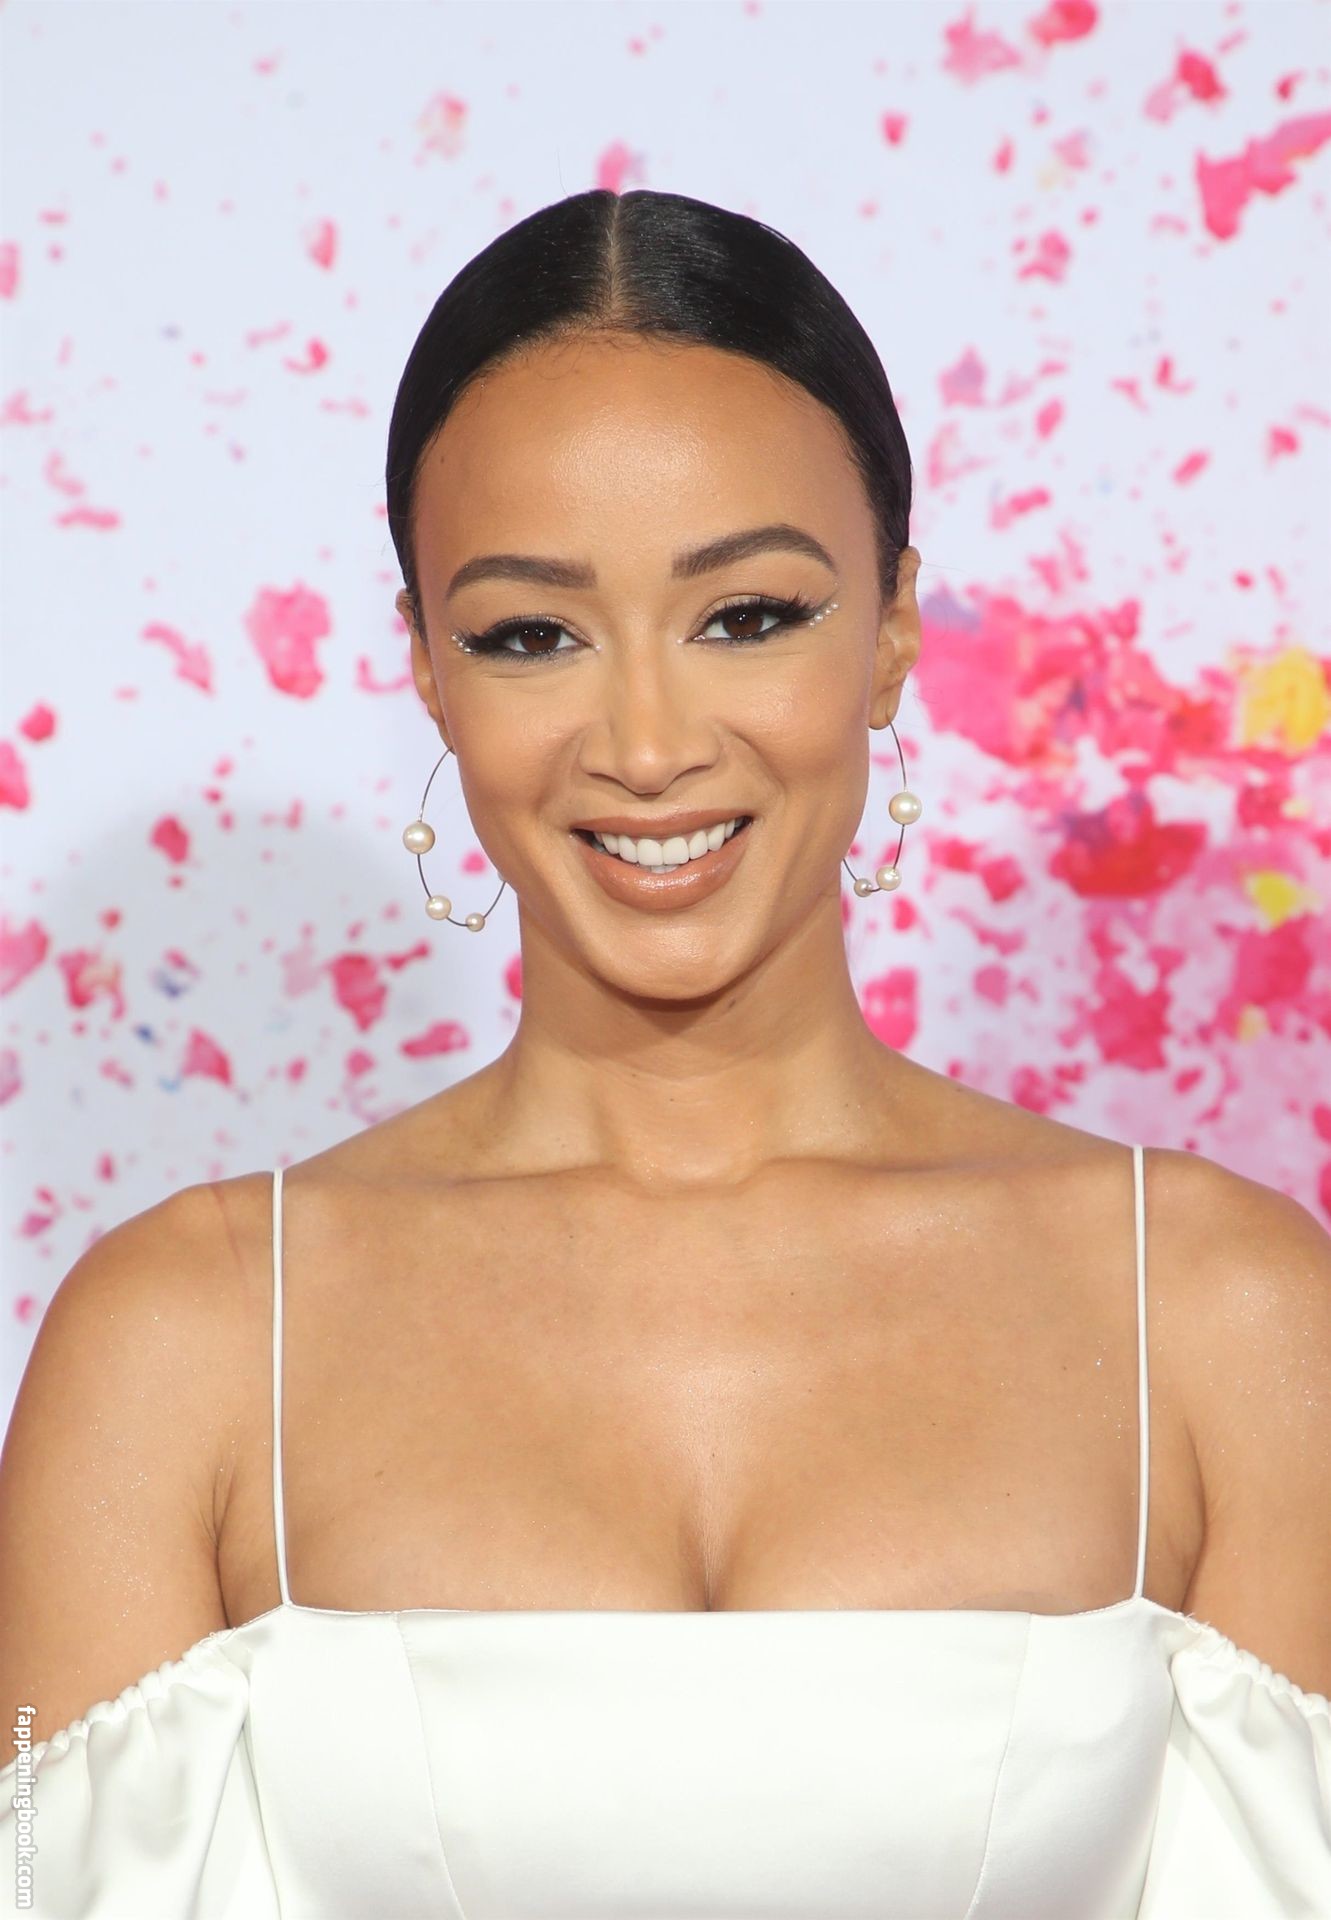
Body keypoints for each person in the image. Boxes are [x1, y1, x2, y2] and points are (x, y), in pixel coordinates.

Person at [0, 187, 1327, 1920]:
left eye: (748, 615)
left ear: (896, 626)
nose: (643, 743)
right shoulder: (174, 1344)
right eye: (531, 634)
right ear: (425, 669)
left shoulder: (1228, 1315)